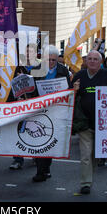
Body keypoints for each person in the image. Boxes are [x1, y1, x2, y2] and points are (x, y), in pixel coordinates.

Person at [71, 50, 107, 194]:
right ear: (86, 61)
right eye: (89, 59)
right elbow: (69, 97)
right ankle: (86, 183)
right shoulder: (79, 76)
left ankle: (89, 176)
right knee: (86, 154)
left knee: (95, 155)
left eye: (95, 59)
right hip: (84, 123)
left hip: (103, 123)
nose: (92, 61)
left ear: (101, 62)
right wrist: (74, 91)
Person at [30, 45, 72, 182]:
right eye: (48, 60)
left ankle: (44, 169)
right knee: (38, 140)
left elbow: (68, 89)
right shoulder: (37, 69)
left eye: (54, 60)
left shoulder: (63, 70)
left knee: (48, 139)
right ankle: (42, 170)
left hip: (56, 110)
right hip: (39, 109)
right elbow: (31, 89)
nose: (51, 63)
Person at [8, 43, 41, 170]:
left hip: (34, 104)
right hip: (21, 104)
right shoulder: (19, 67)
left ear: (35, 53)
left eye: (31, 52)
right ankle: (17, 159)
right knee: (18, 131)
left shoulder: (39, 68)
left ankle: (35, 156)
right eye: (26, 52)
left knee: (34, 131)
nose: (28, 54)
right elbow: (12, 86)